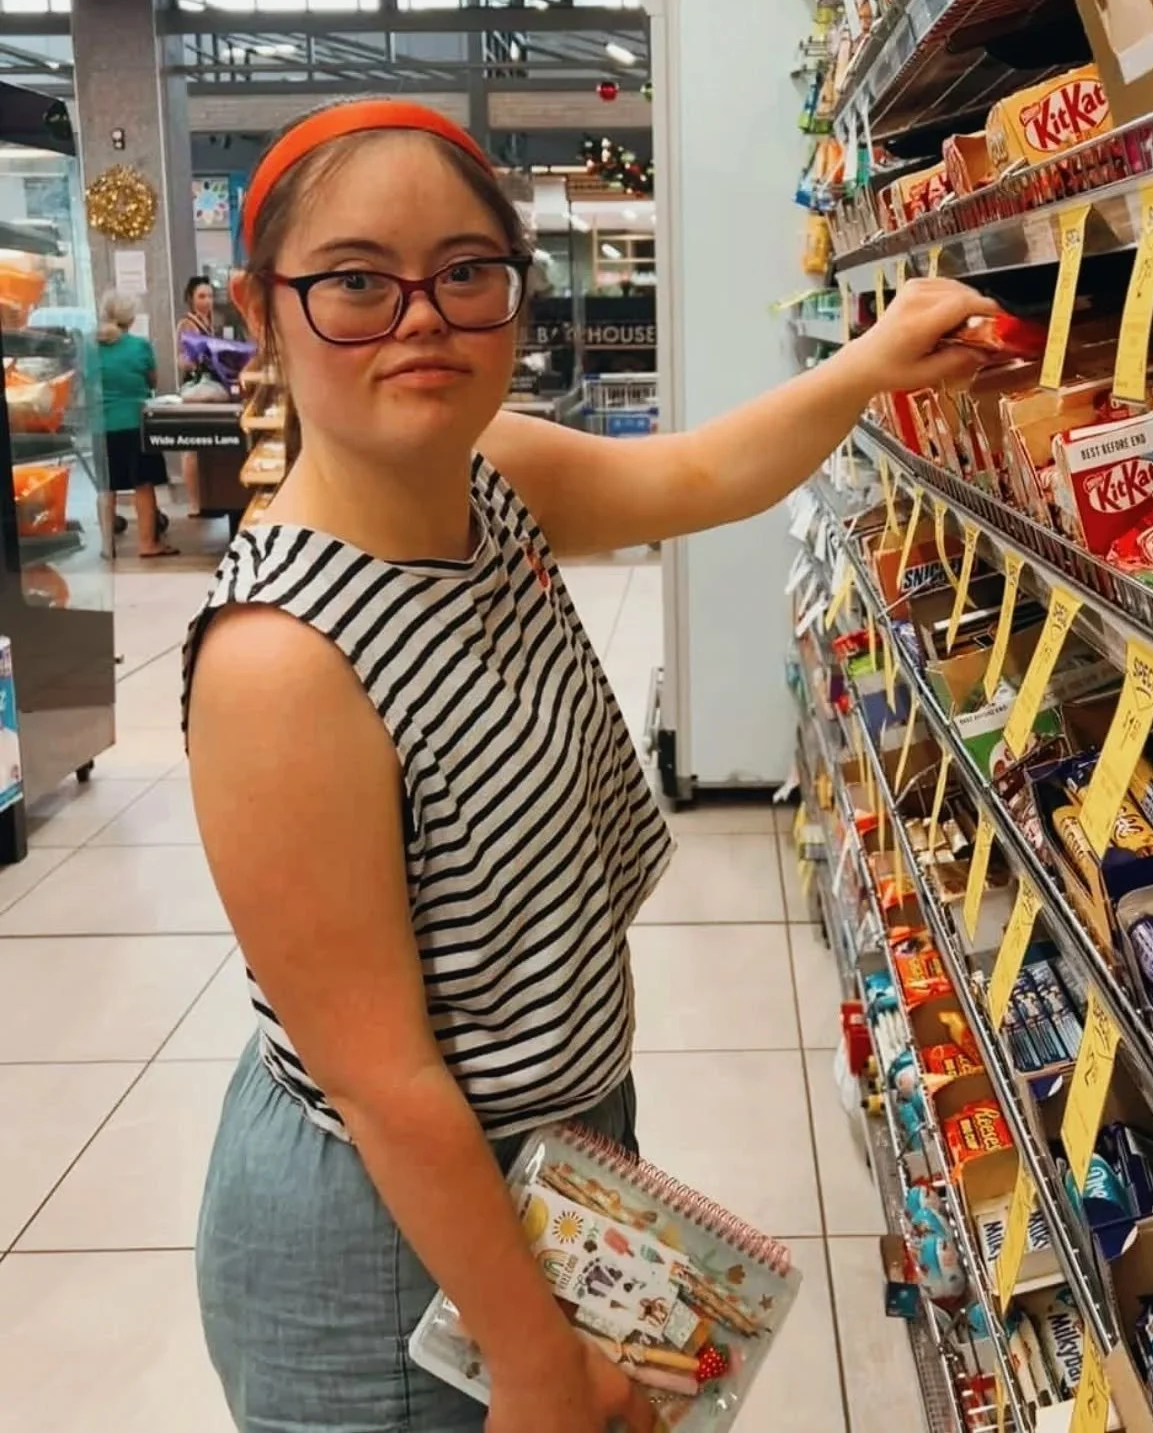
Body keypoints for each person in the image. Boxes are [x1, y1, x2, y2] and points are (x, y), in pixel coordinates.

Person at [185, 98, 997, 1433]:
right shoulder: (282, 660)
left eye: (466, 272)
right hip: (386, 1227)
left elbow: (694, 474)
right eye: (353, 282)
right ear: (263, 312)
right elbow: (383, 1083)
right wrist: (533, 1354)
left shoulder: (484, 474)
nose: (422, 318)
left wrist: (877, 364)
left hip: (548, 1155)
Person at [94, 290, 177, 559]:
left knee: (106, 487)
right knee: (143, 483)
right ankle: (148, 544)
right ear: (129, 319)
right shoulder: (139, 346)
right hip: (133, 423)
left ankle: (108, 546)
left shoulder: (88, 346)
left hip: (100, 425)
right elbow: (152, 382)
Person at [177, 274, 216, 516]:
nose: (207, 301)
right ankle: (194, 501)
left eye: (210, 295)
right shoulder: (188, 324)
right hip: (194, 386)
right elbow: (183, 360)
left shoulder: (209, 323)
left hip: (207, 386)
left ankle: (206, 499)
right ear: (191, 299)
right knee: (191, 446)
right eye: (202, 296)